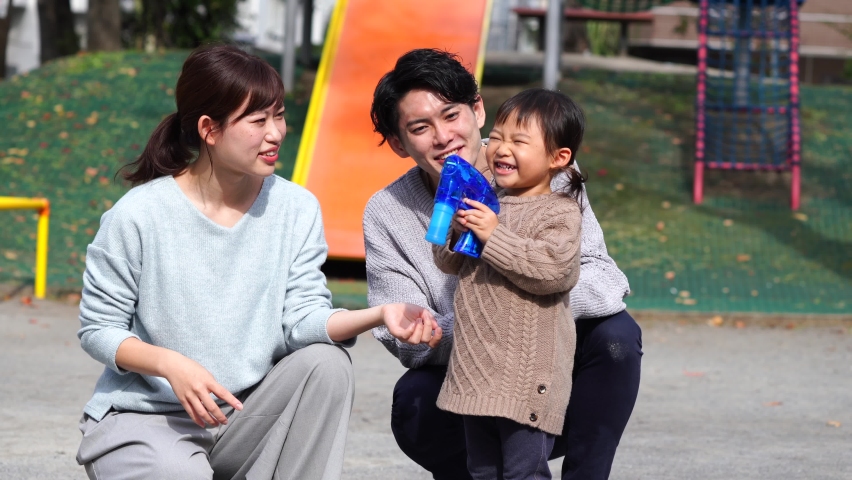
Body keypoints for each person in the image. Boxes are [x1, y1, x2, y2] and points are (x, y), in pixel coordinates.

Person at [75, 44, 440, 480]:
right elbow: (98, 329)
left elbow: (300, 321)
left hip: (244, 419)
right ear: (209, 129)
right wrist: (171, 364)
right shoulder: (137, 215)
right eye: (258, 120)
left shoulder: (295, 207)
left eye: (280, 115)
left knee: (326, 364)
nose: (276, 133)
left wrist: (381, 313)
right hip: (148, 421)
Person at [365, 48, 642, 480]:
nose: (443, 137)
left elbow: (604, 281)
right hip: (468, 375)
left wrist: (512, 313)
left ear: (477, 110)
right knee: (414, 399)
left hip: (549, 366)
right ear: (400, 143)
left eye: (451, 114)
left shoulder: (546, 171)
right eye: (421, 127)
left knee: (617, 337)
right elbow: (407, 340)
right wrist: (430, 327)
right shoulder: (386, 212)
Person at [433, 88, 587, 479]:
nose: (501, 148)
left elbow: (554, 271)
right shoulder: (487, 202)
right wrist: (454, 220)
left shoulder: (559, 212)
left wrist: (493, 235)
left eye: (519, 141)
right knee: (481, 471)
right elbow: (449, 262)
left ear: (559, 157)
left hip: (526, 376)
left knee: (524, 472)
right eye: (497, 136)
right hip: (476, 368)